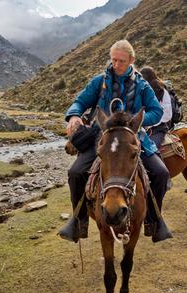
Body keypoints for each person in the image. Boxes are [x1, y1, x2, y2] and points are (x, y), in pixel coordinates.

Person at [58, 40, 172, 243]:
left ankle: (154, 222)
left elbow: (157, 112)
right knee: (75, 172)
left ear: (131, 60)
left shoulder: (142, 86)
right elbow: (80, 101)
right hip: (102, 137)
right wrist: (74, 115)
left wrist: (134, 122)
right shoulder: (99, 82)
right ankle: (78, 222)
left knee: (161, 172)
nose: (116, 64)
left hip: (131, 137)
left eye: (121, 60)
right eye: (114, 60)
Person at [139, 66, 172, 149]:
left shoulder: (162, 92)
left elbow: (167, 114)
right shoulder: (141, 92)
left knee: (151, 149)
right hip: (141, 129)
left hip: (158, 129)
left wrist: (151, 122)